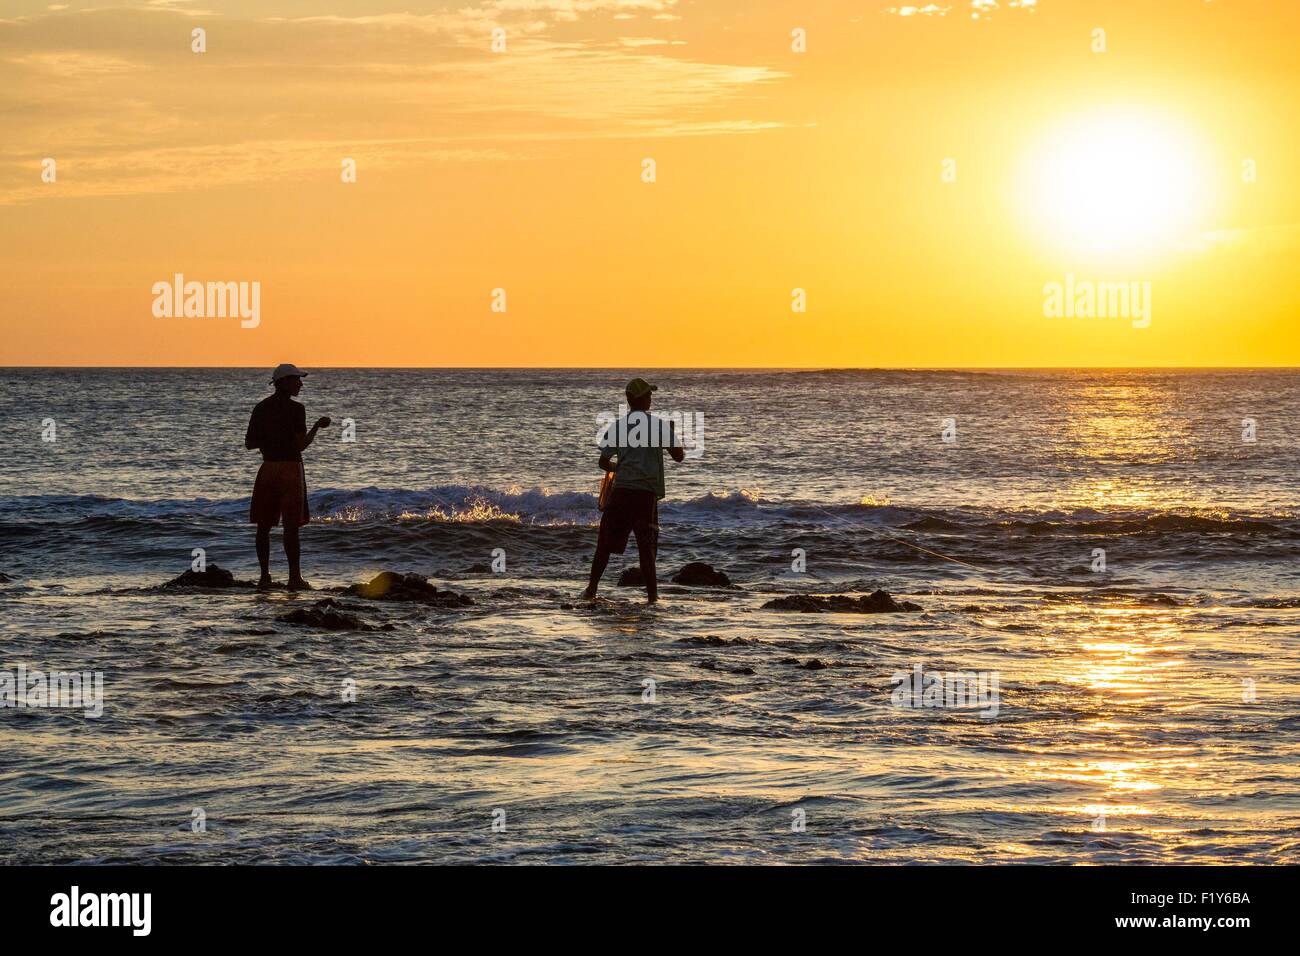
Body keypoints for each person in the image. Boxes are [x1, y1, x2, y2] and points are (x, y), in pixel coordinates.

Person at [584, 377, 685, 604]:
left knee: (605, 545)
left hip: (620, 494)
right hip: (645, 496)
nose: (651, 399)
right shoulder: (658, 425)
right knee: (646, 549)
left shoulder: (618, 426)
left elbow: (603, 461)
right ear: (642, 399)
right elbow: (678, 457)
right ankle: (652, 598)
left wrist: (616, 468)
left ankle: (591, 589)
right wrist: (671, 433)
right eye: (649, 395)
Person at [245, 364, 330, 590]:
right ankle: (295, 579)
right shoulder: (296, 409)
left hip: (267, 469)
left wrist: (269, 441)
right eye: (296, 380)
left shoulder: (261, 408)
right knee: (290, 526)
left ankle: (265, 577)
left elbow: (249, 444)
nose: (300, 384)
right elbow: (301, 445)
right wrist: (316, 427)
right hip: (290, 470)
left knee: (263, 526)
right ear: (284, 382)